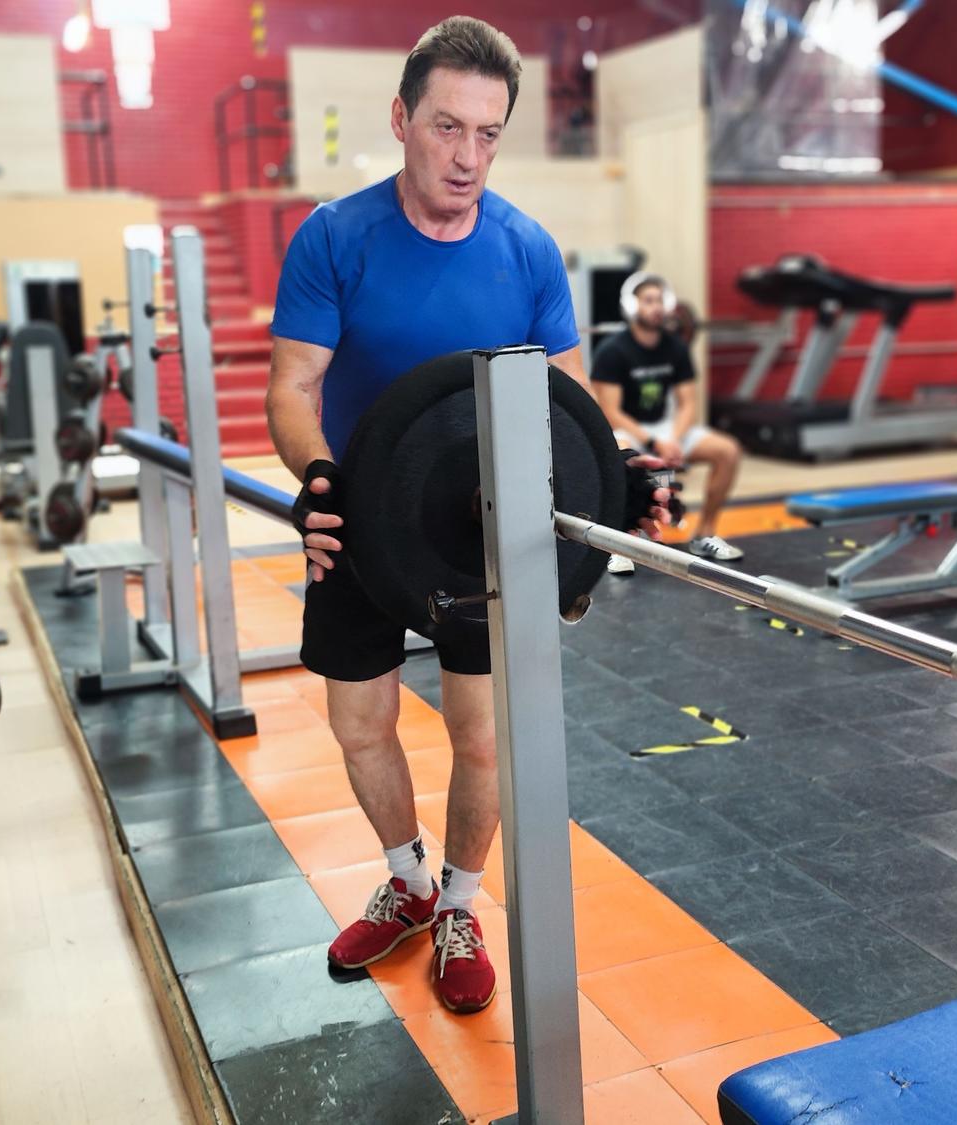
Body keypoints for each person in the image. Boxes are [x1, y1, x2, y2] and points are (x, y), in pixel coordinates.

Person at [266, 16, 665, 1015]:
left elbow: (570, 412)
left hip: (482, 533)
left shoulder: (526, 250)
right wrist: (316, 478)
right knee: (360, 724)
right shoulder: (333, 237)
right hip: (360, 521)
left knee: (481, 740)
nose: (466, 155)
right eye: (447, 127)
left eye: (487, 134)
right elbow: (291, 383)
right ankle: (403, 880)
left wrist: (620, 472)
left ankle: (458, 903)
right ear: (401, 119)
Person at [590, 272, 746, 573]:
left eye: (660, 300)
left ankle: (704, 534)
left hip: (666, 428)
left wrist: (673, 437)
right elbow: (610, 411)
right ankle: (617, 545)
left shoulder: (675, 348)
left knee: (727, 450)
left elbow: (688, 403)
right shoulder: (612, 351)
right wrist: (652, 443)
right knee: (619, 454)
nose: (656, 307)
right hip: (628, 431)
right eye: (648, 300)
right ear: (632, 305)